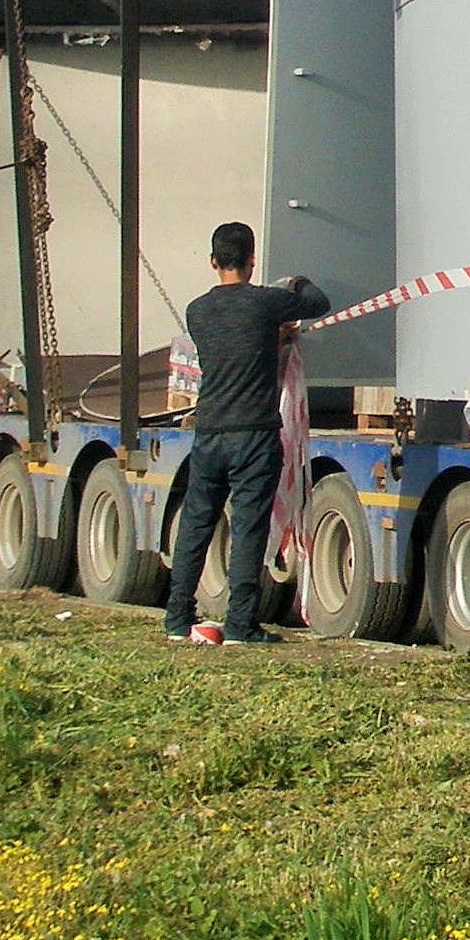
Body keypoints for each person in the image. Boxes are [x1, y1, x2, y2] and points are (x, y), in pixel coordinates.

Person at [164, 221, 329, 645]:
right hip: (254, 433)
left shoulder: (197, 310)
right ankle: (240, 624)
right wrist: (295, 283)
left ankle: (177, 620)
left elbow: (236, 338)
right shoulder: (266, 303)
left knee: (196, 525)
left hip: (210, 430)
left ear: (213, 261)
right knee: (248, 528)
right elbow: (316, 302)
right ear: (252, 260)